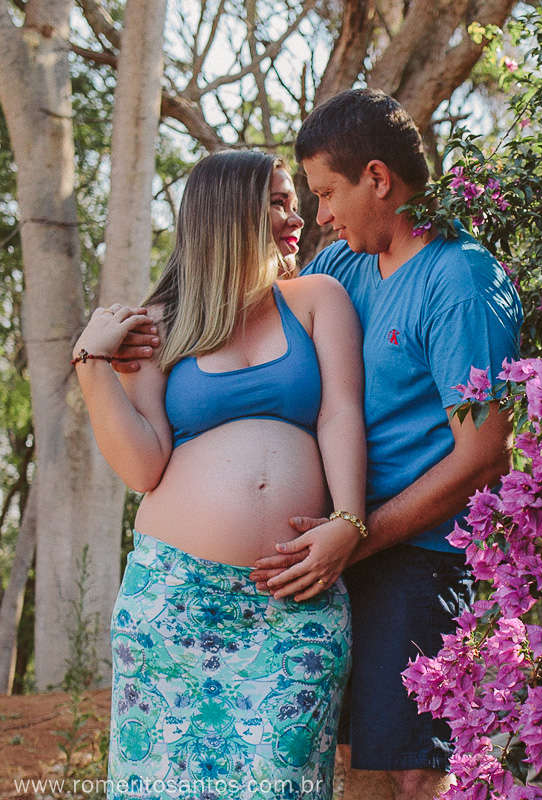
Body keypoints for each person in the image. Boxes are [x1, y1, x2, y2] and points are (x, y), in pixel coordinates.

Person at [250, 89, 523, 800]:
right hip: (343, 554)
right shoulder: (344, 267)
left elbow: (485, 455)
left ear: (377, 178)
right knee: (355, 764)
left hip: (419, 562)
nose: (320, 216)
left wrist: (356, 536)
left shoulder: (461, 280)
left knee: (411, 773)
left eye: (326, 193)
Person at [75, 150, 366, 800]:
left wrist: (349, 521)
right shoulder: (160, 323)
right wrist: (92, 364)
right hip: (174, 600)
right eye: (278, 202)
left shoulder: (317, 299)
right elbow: (143, 466)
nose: (297, 217)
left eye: (292, 201)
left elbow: (341, 413)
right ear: (229, 212)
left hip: (292, 600)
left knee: (283, 783)